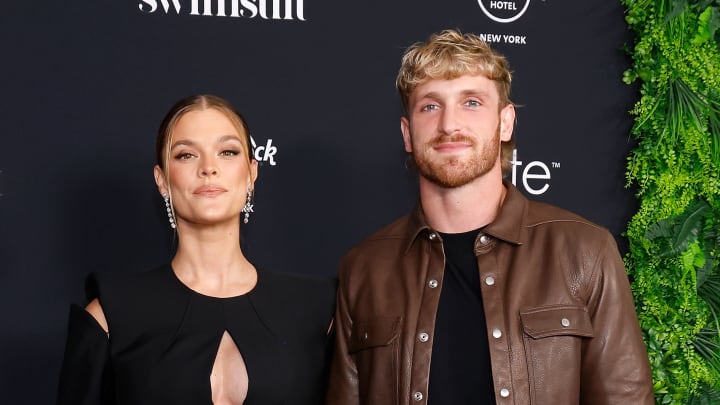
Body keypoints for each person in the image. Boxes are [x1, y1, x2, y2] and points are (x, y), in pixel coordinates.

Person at [326, 29, 654, 405]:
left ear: (506, 122)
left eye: (471, 102)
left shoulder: (585, 251)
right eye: (430, 106)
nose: (449, 125)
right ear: (407, 133)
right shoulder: (364, 268)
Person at [56, 94, 336, 405]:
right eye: (186, 155)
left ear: (252, 174)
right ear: (162, 181)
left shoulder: (318, 309)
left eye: (227, 152)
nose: (209, 168)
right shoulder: (110, 315)